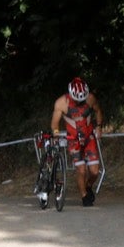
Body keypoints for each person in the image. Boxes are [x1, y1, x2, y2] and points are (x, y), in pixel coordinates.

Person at [50, 77, 103, 206]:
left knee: (95, 171)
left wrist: (99, 126)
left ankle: (88, 186)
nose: (79, 102)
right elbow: (54, 125)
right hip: (74, 140)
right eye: (77, 99)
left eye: (81, 99)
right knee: (81, 170)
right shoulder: (61, 103)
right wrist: (56, 137)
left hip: (89, 137)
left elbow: (98, 111)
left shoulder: (90, 98)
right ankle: (84, 196)